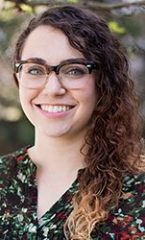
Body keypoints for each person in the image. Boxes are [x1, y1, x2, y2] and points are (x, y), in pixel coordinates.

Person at [0, 5, 145, 240]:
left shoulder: (137, 191)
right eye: (35, 70)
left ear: (103, 82)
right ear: (18, 78)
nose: (53, 88)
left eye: (74, 71)